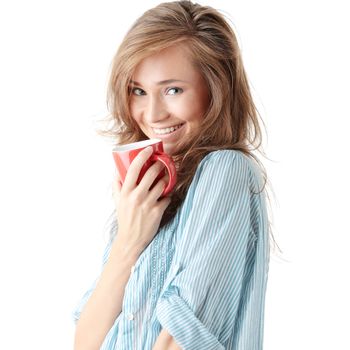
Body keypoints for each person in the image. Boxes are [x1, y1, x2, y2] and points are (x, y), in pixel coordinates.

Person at [73, 1, 274, 349]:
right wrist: (128, 243)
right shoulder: (142, 202)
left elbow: (183, 337)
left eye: (173, 90)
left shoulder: (227, 172)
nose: (152, 114)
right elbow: (85, 342)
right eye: (139, 91)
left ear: (216, 89)